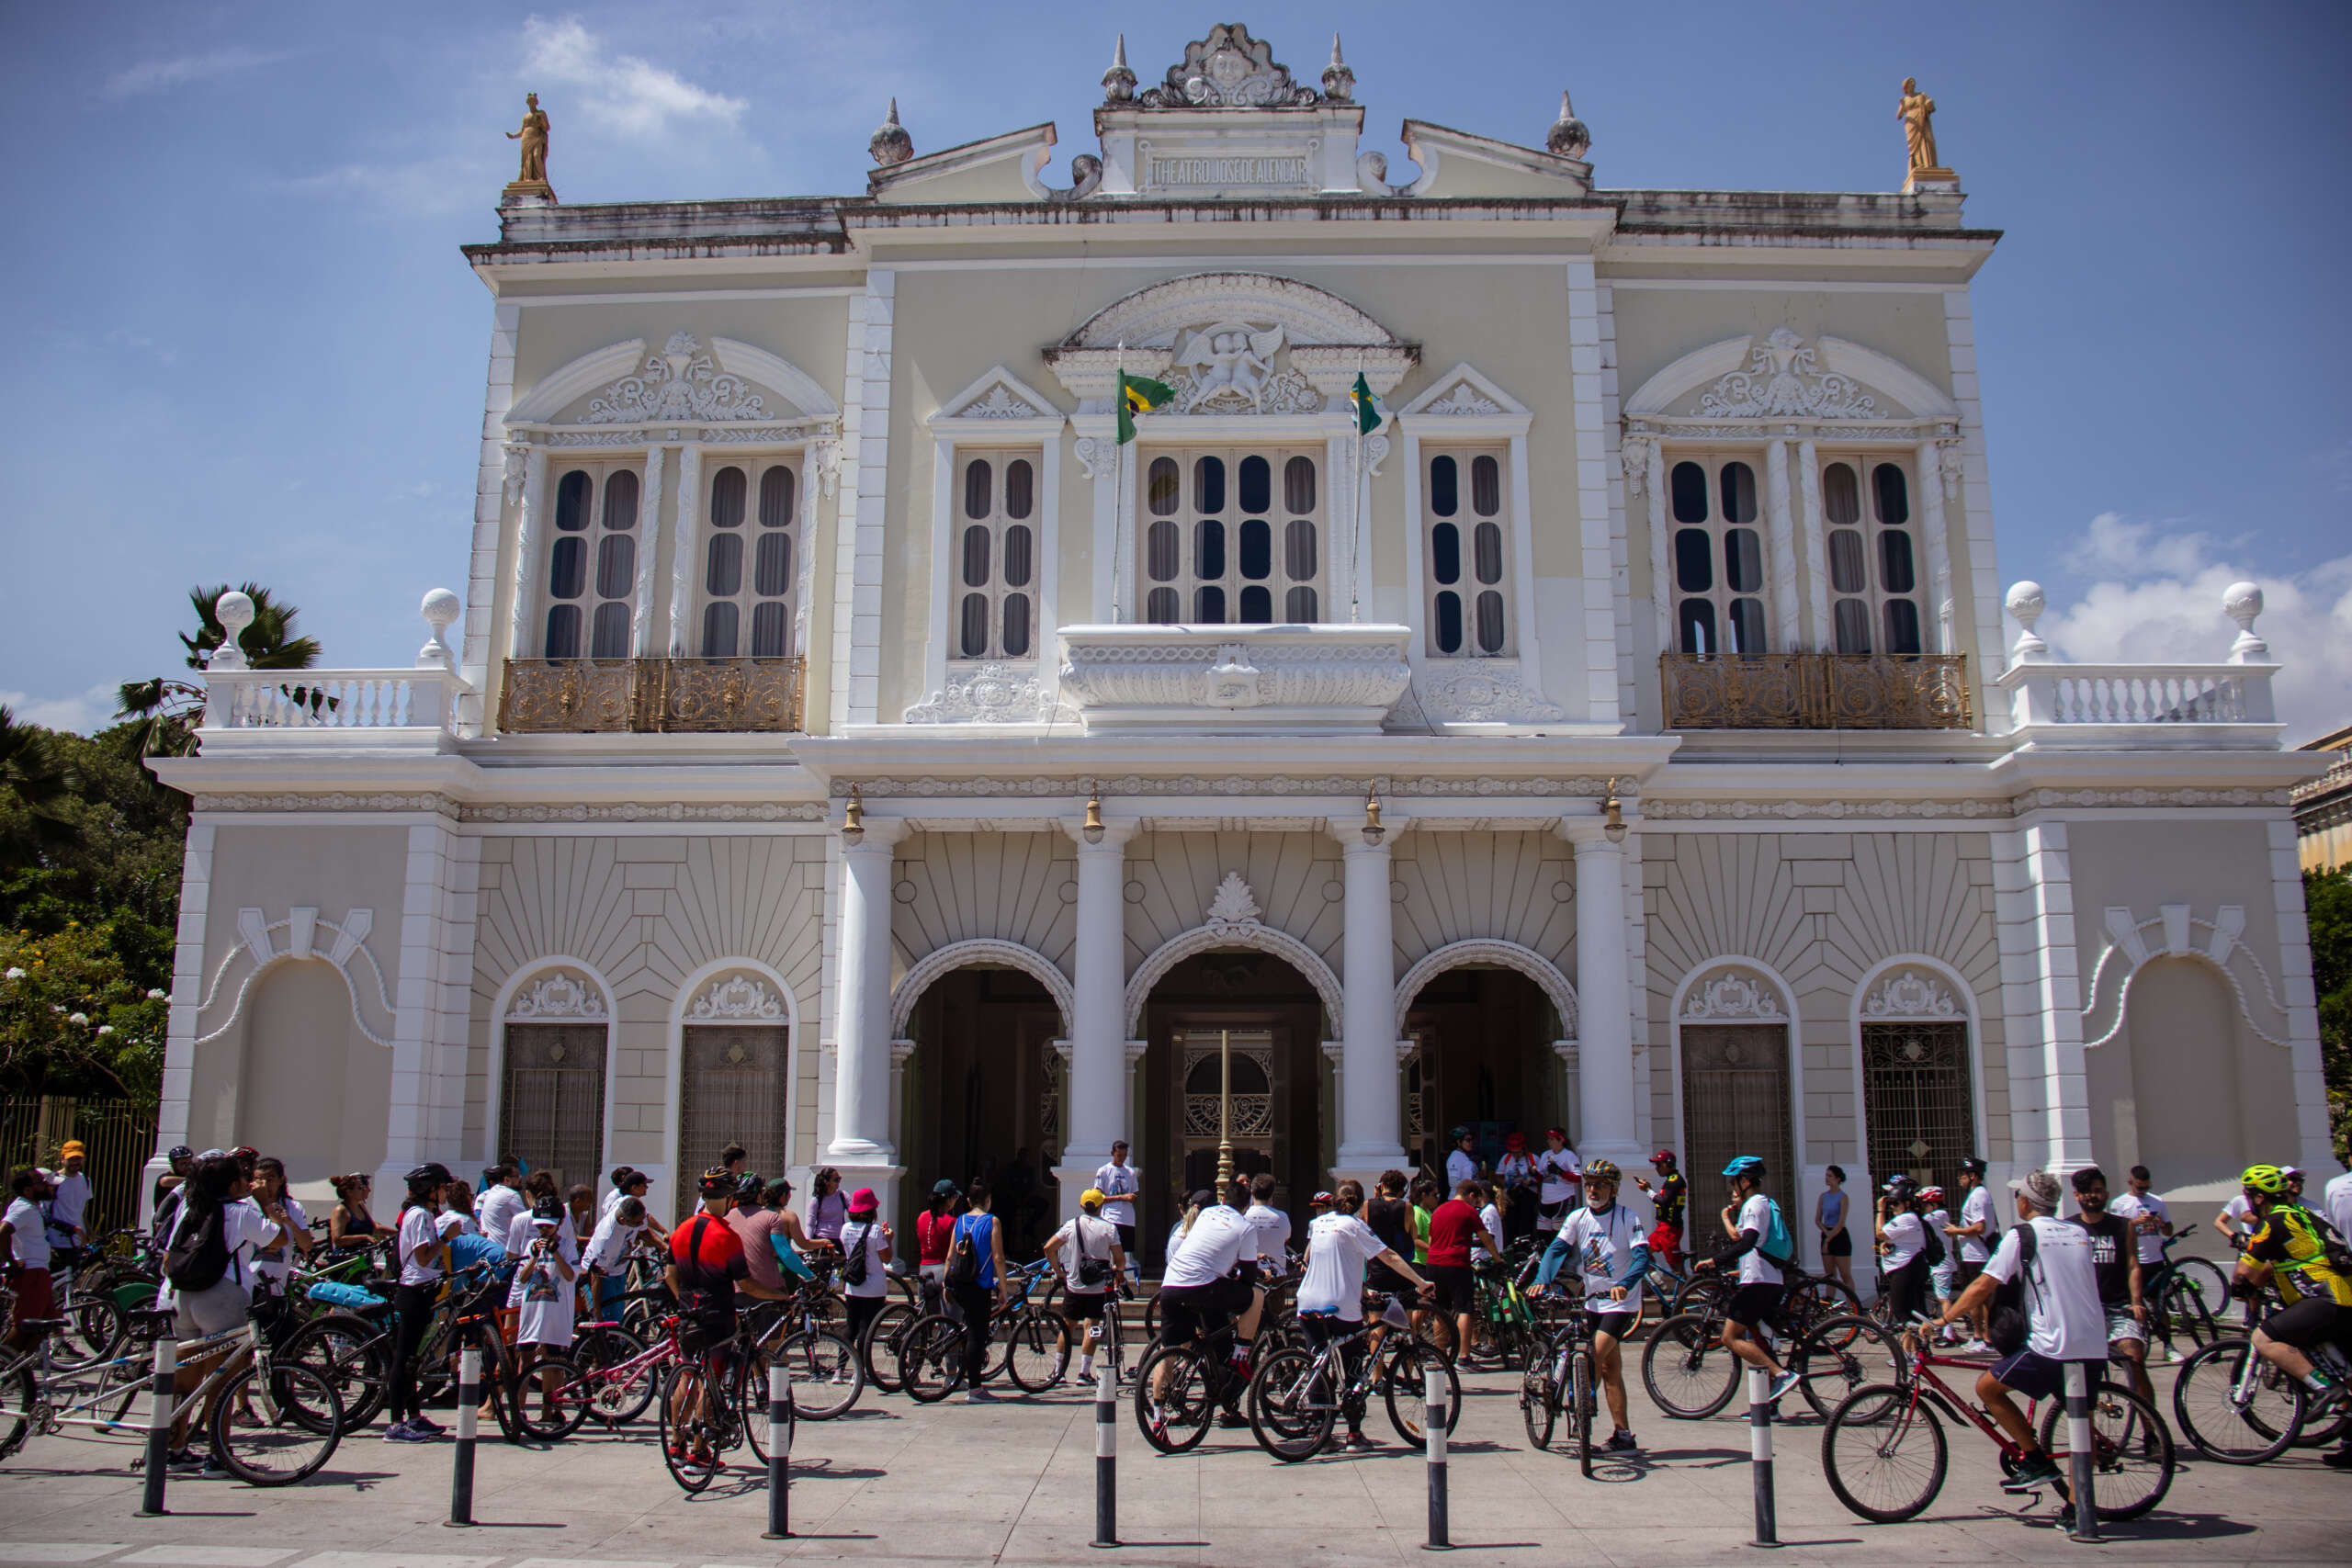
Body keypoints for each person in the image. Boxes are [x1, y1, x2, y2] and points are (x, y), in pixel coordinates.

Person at [1934, 1169, 2107, 1500]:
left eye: (2017, 1196)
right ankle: (2077, 1510)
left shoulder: (2022, 1235)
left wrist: (1943, 1320)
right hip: (2093, 1342)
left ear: (2025, 1202)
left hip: (2053, 1344)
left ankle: (2036, 1460)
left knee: (1989, 1388)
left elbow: (1984, 1285)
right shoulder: (2079, 1233)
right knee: (2081, 1429)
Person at [1295, 1179, 1434, 1450]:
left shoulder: (1319, 1223)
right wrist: (1420, 1282)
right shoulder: (1355, 1225)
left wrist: (1360, 1288)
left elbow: (1315, 1259)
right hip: (1340, 1307)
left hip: (1308, 1301)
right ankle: (1354, 1434)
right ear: (1360, 1204)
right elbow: (1389, 1256)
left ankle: (1319, 1434)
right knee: (1353, 1370)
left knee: (1319, 1365)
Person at [2231, 1162, 2352, 1469]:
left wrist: (2239, 1287)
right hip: (2343, 1295)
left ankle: (2326, 1389)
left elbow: (2246, 1269)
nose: (2246, 1200)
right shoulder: (2304, 1215)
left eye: (2248, 1195)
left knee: (2263, 1337)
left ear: (2259, 1198)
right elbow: (2274, 1265)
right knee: (2345, 1368)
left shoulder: (2271, 1222)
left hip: (2323, 1298)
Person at [667, 1168, 786, 1459]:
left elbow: (670, 1275)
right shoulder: (726, 1235)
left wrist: (684, 1300)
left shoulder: (680, 1229)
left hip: (687, 1312)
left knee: (687, 1375)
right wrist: (778, 1296)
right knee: (713, 1380)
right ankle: (699, 1448)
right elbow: (746, 1284)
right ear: (729, 1197)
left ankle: (676, 1438)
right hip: (718, 1314)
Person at [1532, 1159, 1650, 1453]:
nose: (1593, 1189)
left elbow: (1641, 1256)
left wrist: (1627, 1282)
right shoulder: (1577, 1217)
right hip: (1593, 1301)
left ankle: (1578, 1404)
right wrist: (1542, 1279)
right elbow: (1556, 1250)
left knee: (1593, 1354)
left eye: (1600, 1185)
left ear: (1614, 1189)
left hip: (1620, 1303)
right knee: (1611, 1368)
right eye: (1589, 1184)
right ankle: (1623, 1435)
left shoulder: (1627, 1216)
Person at [1152, 1186, 1266, 1427]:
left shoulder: (1206, 1214)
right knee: (1256, 1295)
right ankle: (1241, 1355)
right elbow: (1247, 1278)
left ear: (1223, 1199)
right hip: (1203, 1288)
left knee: (1168, 1352)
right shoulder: (1245, 1228)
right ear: (1247, 1207)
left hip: (1171, 1285)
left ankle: (1157, 1417)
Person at [1693, 1155, 1799, 1404]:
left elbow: (1748, 1242)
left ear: (1745, 1181)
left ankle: (1781, 1374)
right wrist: (1737, 1271)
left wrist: (1714, 1261)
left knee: (1730, 1337)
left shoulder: (1753, 1205)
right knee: (1761, 1341)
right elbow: (1757, 1247)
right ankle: (1770, 1405)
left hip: (1759, 1283)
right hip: (1767, 1279)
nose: (1733, 1187)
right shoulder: (1765, 1203)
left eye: (1734, 1182)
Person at [2066, 1167, 2153, 1406]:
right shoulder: (2068, 1229)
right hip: (2083, 1311)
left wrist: (2136, 1302)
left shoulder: (2123, 1227)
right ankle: (2089, 1433)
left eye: (2097, 1190)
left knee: (2134, 1360)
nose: (2091, 1196)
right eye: (2085, 1192)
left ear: (2105, 1193)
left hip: (2118, 1307)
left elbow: (2133, 1265)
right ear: (2076, 1196)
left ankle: (2151, 1429)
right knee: (2077, 1373)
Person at [383, 1162, 455, 1442]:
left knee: (412, 1361)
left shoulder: (419, 1214)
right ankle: (395, 1423)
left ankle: (414, 1417)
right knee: (403, 1359)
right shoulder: (421, 1216)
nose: (445, 1192)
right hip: (414, 1292)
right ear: (430, 1189)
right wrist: (447, 1238)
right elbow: (424, 1257)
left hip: (421, 1289)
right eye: (442, 1187)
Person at [1045, 1188, 1125, 1383]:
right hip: (1098, 1288)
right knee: (1093, 1327)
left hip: (1074, 1285)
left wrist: (1059, 1272)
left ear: (1082, 1205)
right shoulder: (1109, 1228)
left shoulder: (1071, 1226)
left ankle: (1059, 1371)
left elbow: (1049, 1248)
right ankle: (1084, 1372)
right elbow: (1120, 1259)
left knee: (1067, 1326)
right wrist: (1119, 1275)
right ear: (1101, 1206)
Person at [509, 1197, 577, 1423]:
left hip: (555, 1313)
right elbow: (522, 1277)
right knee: (525, 1359)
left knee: (553, 1362)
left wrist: (556, 1253)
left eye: (548, 1226)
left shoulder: (567, 1245)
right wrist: (534, 1257)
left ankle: (551, 1411)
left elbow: (570, 1276)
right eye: (540, 1227)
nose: (544, 1231)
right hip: (533, 1309)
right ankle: (519, 1409)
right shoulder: (531, 1245)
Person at [1427, 1179, 1505, 1364]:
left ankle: (1440, 1354)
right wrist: (1498, 1259)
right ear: (1471, 1195)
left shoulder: (1438, 1210)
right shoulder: (1468, 1211)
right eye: (1475, 1201)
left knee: (1441, 1311)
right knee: (1465, 1310)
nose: (1475, 1205)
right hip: (1456, 1263)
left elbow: (1431, 1239)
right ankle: (1464, 1355)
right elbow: (1486, 1238)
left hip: (1434, 1263)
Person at [948, 1181, 1009, 1402]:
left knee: (967, 1329)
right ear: (988, 1200)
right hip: (979, 1285)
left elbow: (950, 1255)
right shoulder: (992, 1221)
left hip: (959, 1283)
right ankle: (975, 1389)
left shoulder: (960, 1220)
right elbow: (999, 1258)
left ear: (968, 1201)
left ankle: (962, 1373)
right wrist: (1003, 1290)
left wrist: (947, 1283)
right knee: (977, 1335)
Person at [1943, 1156, 1996, 1353]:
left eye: (1962, 1176)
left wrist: (1956, 1231)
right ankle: (1978, 1335)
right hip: (1970, 1255)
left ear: (1973, 1176)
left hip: (1978, 1255)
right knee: (1973, 1297)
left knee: (1981, 1297)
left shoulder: (1979, 1195)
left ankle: (1987, 1338)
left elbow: (1980, 1227)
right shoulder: (1975, 1194)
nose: (1959, 1179)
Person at [1, 1168, 56, 1352]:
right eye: (40, 1182)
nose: (46, 1185)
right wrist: (12, 1261)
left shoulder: (33, 1208)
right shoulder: (23, 1208)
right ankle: (5, 1368)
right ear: (28, 1190)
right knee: (25, 1325)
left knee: (45, 1323)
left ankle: (20, 1371)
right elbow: (3, 1232)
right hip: (31, 1274)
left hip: (40, 1272)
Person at [839, 1187, 894, 1349]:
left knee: (851, 1328)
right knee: (866, 1329)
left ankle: (840, 1370)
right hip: (874, 1287)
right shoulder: (875, 1230)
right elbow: (886, 1258)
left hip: (852, 1286)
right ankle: (861, 1369)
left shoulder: (845, 1229)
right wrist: (889, 1239)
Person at [1874, 1176, 1931, 1325]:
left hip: (1907, 1268)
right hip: (1905, 1267)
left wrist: (1880, 1210)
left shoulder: (1907, 1218)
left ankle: (1924, 1339)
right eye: (1890, 1203)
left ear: (1906, 1203)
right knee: (1911, 1313)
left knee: (1902, 1312)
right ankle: (1913, 1348)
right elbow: (1890, 1238)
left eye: (1895, 1203)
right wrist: (1884, 1245)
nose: (1891, 1206)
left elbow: (1880, 1234)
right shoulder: (1906, 1217)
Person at [582, 1194, 647, 1322]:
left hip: (618, 1270)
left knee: (618, 1316)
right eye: (637, 1223)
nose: (642, 1224)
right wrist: (597, 1311)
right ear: (623, 1220)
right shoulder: (607, 1238)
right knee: (610, 1320)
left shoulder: (625, 1202)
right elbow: (596, 1277)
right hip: (602, 1274)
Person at [1634, 1150, 1686, 1272]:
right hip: (1663, 1229)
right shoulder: (1671, 1179)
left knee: (1676, 1267)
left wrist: (1648, 1190)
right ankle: (1658, 1284)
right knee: (1643, 1254)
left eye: (1658, 1165)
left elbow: (1663, 1201)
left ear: (1667, 1164)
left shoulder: (1675, 1180)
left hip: (1669, 1229)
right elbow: (1664, 1201)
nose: (1656, 1168)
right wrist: (1650, 1189)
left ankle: (1686, 1290)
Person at [1093, 1141, 1141, 1272]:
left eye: (1124, 1155)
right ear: (1112, 1153)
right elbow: (1099, 1198)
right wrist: (1121, 1197)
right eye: (1119, 1155)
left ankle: (1118, 1281)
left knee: (1123, 1254)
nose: (1122, 1159)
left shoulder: (1130, 1173)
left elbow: (1134, 1194)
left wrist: (1130, 1198)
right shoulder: (1103, 1171)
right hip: (1110, 1217)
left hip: (1127, 1219)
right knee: (1110, 1251)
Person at [1919, 1186, 1960, 1343]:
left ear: (1933, 1204)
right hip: (1938, 1264)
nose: (1924, 1209)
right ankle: (1949, 1330)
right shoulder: (1938, 1215)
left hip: (1942, 1264)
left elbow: (1920, 1221)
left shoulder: (1939, 1215)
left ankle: (1948, 1332)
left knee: (1944, 1299)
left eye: (1925, 1205)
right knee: (1941, 1297)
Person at [915, 1179, 961, 1315]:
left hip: (923, 1270)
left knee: (924, 1323)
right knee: (952, 1323)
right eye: (955, 1197)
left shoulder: (921, 1217)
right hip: (942, 1271)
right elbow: (956, 1251)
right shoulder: (952, 1222)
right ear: (948, 1199)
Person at [45, 1141, 91, 1255]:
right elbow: (44, 1213)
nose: (75, 1163)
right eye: (71, 1159)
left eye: (78, 1159)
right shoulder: (53, 1181)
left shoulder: (86, 1180)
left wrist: (91, 1235)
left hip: (78, 1242)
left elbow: (82, 1212)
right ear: (62, 1159)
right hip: (56, 1242)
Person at [1815, 1165, 1854, 1296]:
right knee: (1830, 1275)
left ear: (1838, 1179)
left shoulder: (1843, 1197)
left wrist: (1829, 1238)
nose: (1827, 1178)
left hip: (1839, 1235)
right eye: (1826, 1175)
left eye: (1830, 1176)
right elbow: (1818, 1219)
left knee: (1845, 1274)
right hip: (1827, 1232)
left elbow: (1841, 1221)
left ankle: (1852, 1306)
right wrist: (1826, 1235)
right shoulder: (1823, 1196)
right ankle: (1829, 1304)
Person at [1243, 1172, 1292, 1277]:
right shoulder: (1282, 1217)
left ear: (1252, 1193)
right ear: (1272, 1194)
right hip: (1277, 1274)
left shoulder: (1243, 1218)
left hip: (1251, 1275)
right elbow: (1286, 1238)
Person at [1534, 1129, 1581, 1237]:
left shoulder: (1568, 1155)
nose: (1549, 1141)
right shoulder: (1546, 1155)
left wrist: (1560, 1171)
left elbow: (1578, 1178)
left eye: (1552, 1139)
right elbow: (1540, 1176)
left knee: (1559, 1232)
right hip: (1546, 1199)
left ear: (1561, 1140)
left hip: (1562, 1198)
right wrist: (1533, 1174)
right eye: (1549, 1139)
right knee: (1543, 1232)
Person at [328, 1172, 390, 1254]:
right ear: (349, 1192)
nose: (363, 1190)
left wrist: (397, 1233)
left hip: (364, 1258)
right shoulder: (340, 1210)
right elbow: (337, 1240)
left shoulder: (361, 1206)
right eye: (360, 1188)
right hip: (346, 1260)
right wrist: (363, 1237)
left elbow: (373, 1228)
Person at [1497, 1133, 1539, 1245]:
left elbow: (1541, 1178)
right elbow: (1498, 1176)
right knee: (1510, 1226)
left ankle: (1526, 1250)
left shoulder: (1533, 1159)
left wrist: (1529, 1182)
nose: (1515, 1155)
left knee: (1526, 1225)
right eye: (1513, 1152)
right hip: (1511, 1196)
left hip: (1528, 1196)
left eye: (1518, 1152)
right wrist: (1506, 1183)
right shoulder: (1506, 1159)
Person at [475, 1164, 526, 1253]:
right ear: (507, 1179)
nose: (520, 1179)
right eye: (517, 1176)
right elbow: (524, 1222)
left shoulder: (490, 1193)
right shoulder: (511, 1195)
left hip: (489, 1248)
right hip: (504, 1251)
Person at [807, 1167, 848, 1251]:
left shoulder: (843, 1196)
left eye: (839, 1179)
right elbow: (810, 1224)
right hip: (821, 1239)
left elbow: (854, 1211)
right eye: (836, 1180)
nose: (838, 1182)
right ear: (826, 1182)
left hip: (840, 1239)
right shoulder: (817, 1200)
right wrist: (808, 1243)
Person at [1445, 1126, 1479, 1192]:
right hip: (1458, 1199)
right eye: (1468, 1140)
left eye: (1472, 1140)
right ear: (1458, 1142)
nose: (1471, 1142)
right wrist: (1474, 1185)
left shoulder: (1463, 1156)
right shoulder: (1455, 1157)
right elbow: (1453, 1182)